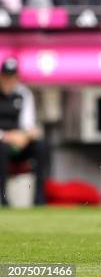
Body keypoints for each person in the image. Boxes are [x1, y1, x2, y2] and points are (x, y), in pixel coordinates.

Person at [0, 57, 47, 206]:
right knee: (1, 149)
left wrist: (26, 135)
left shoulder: (24, 93)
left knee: (41, 146)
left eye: (12, 77)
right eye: (6, 77)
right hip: (2, 141)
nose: (9, 81)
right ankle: (2, 198)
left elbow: (28, 123)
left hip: (19, 141)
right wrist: (6, 136)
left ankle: (39, 198)